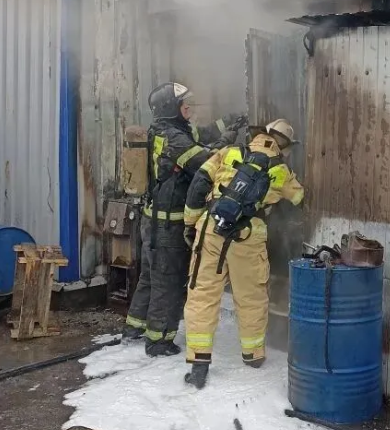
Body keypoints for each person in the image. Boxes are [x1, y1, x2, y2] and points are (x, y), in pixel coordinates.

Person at [181, 119, 305, 389]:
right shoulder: (281, 169)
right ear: (285, 145)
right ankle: (253, 355)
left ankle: (199, 363)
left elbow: (199, 182)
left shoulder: (229, 152)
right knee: (251, 296)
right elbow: (300, 199)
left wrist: (190, 222)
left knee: (202, 293)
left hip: (211, 228)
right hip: (249, 234)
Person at [122, 82, 242, 357]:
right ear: (171, 108)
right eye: (184, 105)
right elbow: (206, 162)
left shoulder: (166, 130)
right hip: (168, 225)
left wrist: (228, 122)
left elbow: (203, 134)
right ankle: (159, 341)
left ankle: (134, 328)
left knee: (150, 278)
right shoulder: (175, 139)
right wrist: (228, 141)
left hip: (153, 221)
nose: (188, 108)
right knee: (169, 282)